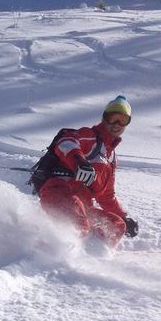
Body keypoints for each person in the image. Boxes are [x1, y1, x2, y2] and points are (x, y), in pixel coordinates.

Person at [38, 95, 139, 247]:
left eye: (123, 120)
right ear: (104, 118)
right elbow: (66, 141)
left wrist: (123, 218)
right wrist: (79, 161)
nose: (117, 124)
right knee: (78, 225)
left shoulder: (110, 157)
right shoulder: (91, 136)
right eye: (112, 118)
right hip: (58, 191)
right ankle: (42, 254)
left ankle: (94, 259)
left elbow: (107, 196)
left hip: (83, 206)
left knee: (116, 226)